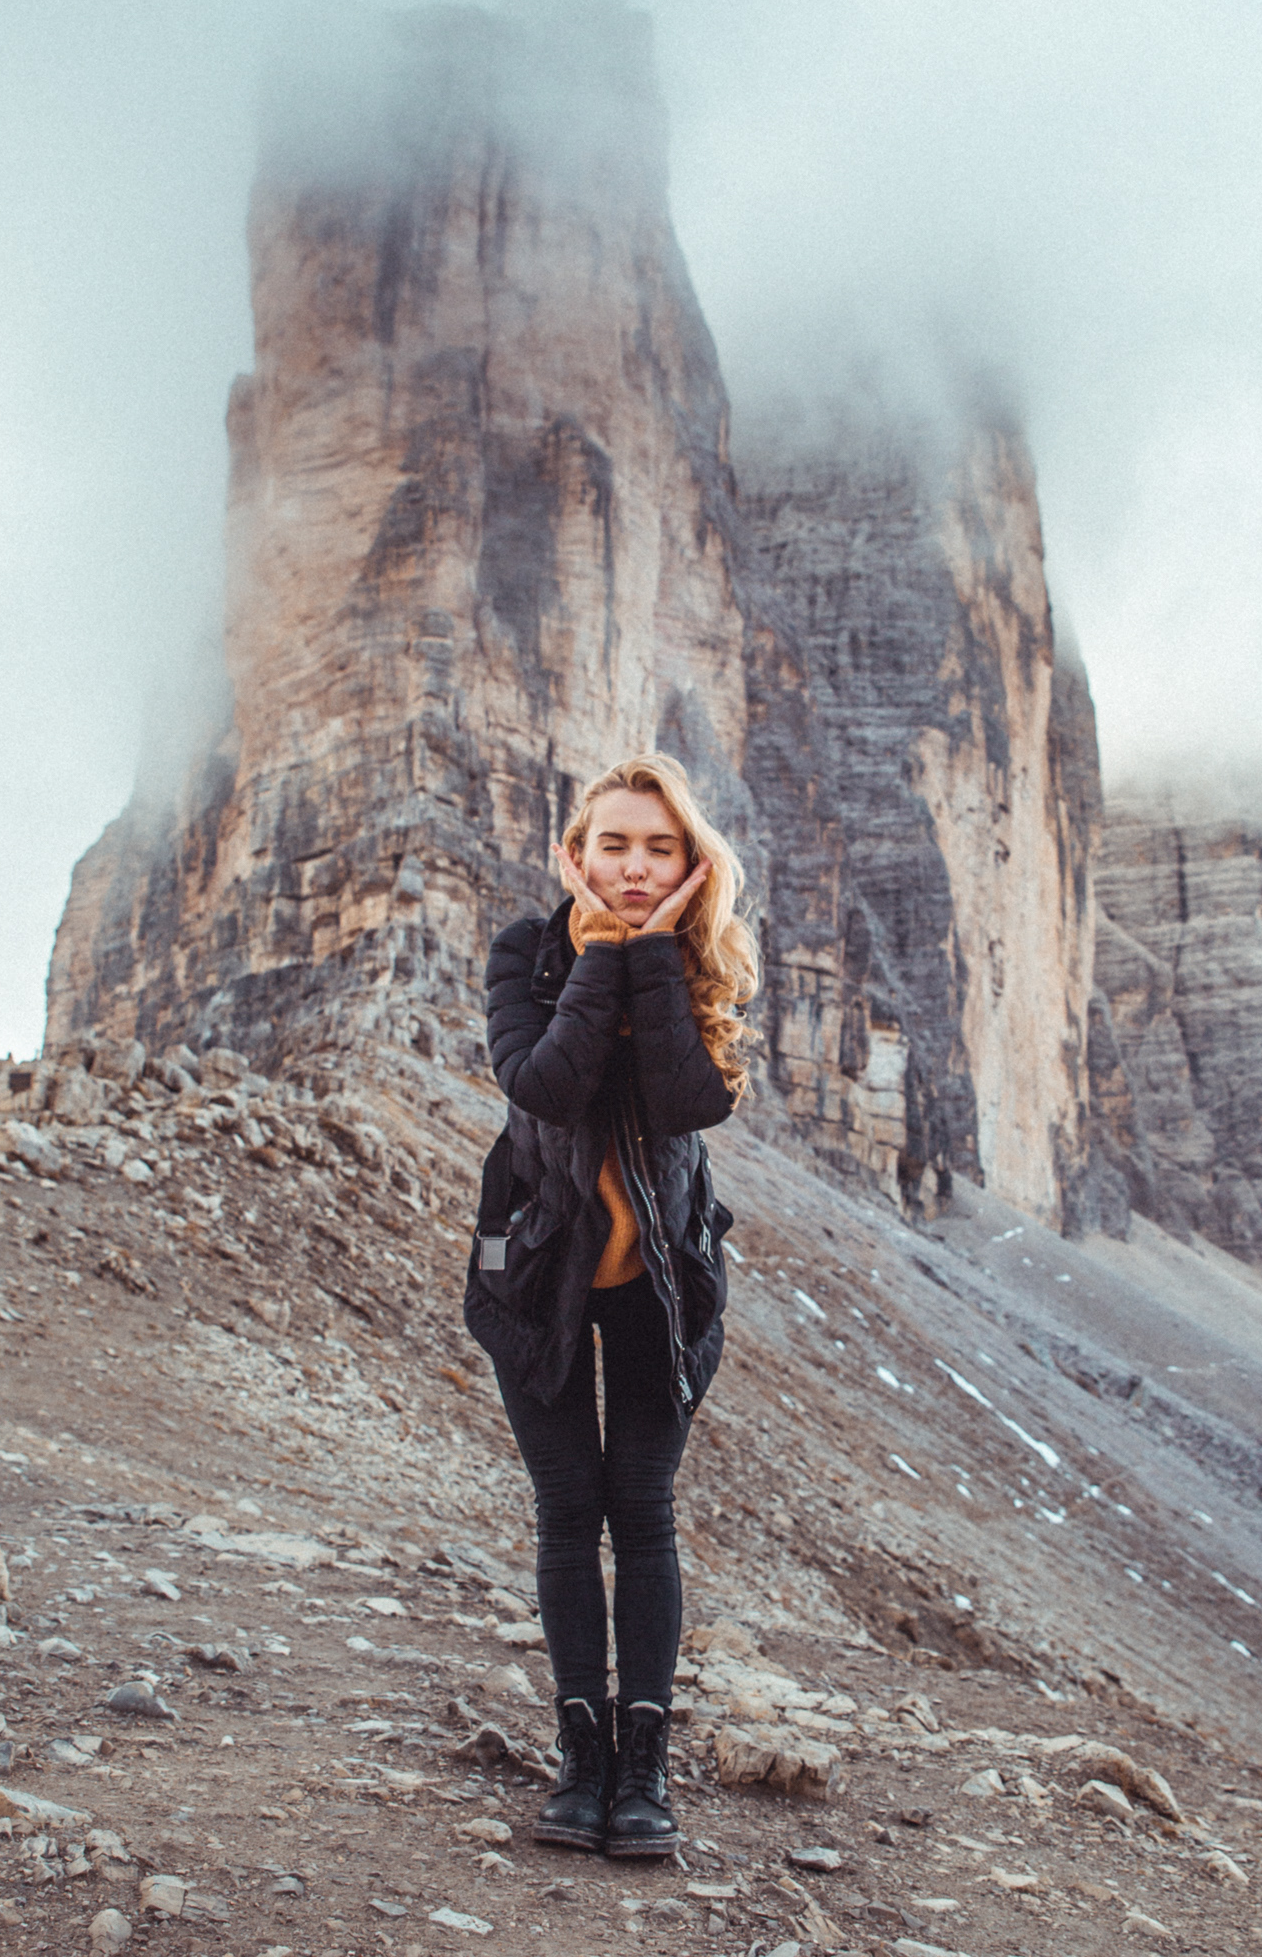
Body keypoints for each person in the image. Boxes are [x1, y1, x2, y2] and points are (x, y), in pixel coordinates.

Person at [464, 753, 758, 1857]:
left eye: (660, 848)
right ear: (574, 856)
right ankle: (580, 1758)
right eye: (614, 845)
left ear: (691, 865)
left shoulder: (704, 961)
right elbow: (542, 1083)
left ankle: (644, 1767)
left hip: (662, 1281)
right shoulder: (523, 953)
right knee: (566, 1507)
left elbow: (688, 1101)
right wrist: (603, 955)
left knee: (640, 1510)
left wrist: (651, 958)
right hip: (536, 1275)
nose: (636, 867)